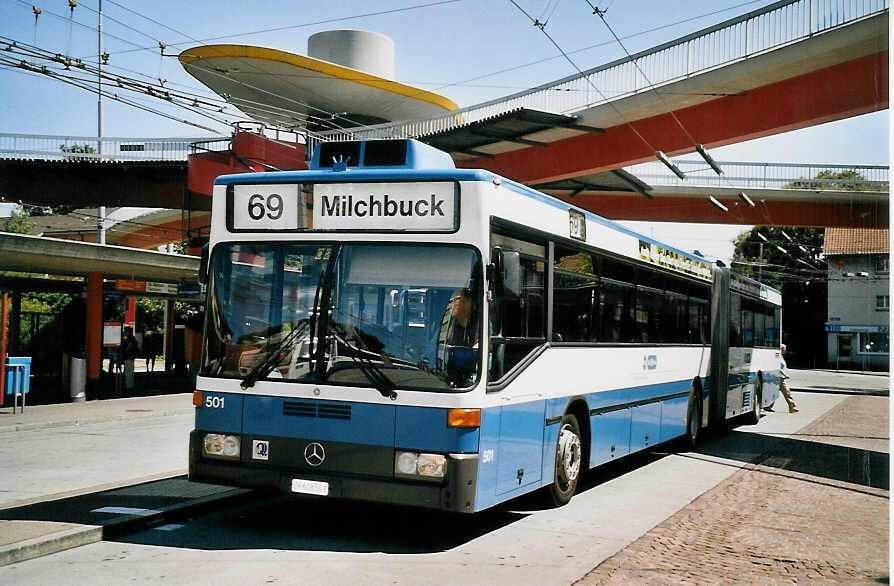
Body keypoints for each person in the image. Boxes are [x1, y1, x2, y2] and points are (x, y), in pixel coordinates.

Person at [773, 343, 799, 413]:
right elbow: (777, 367)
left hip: (780, 377)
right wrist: (785, 375)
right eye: (784, 349)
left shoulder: (781, 356)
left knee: (774, 392)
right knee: (787, 393)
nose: (785, 350)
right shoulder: (777, 356)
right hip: (780, 378)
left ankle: (768, 406)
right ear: (781, 349)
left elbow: (782, 366)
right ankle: (792, 407)